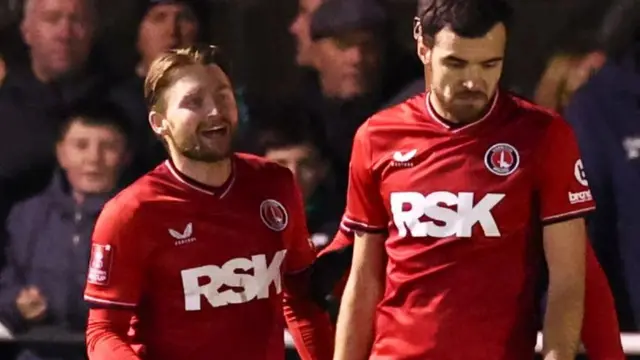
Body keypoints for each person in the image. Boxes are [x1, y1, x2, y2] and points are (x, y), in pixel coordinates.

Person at [332, 0, 596, 359]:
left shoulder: (544, 136)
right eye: (455, 64)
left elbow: (568, 281)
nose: (474, 81)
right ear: (422, 46)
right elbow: (363, 281)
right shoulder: (377, 137)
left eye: (490, 64)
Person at [83, 45, 333, 360]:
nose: (215, 111)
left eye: (223, 96)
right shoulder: (132, 213)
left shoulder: (275, 183)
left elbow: (302, 300)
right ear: (159, 122)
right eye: (194, 102)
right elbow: (103, 332)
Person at [0, 102, 130, 360]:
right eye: (81, 146)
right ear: (61, 153)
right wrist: (17, 302)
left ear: (126, 156)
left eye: (108, 147)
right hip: (37, 351)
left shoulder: (141, 219)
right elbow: (6, 282)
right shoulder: (26, 216)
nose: (94, 158)